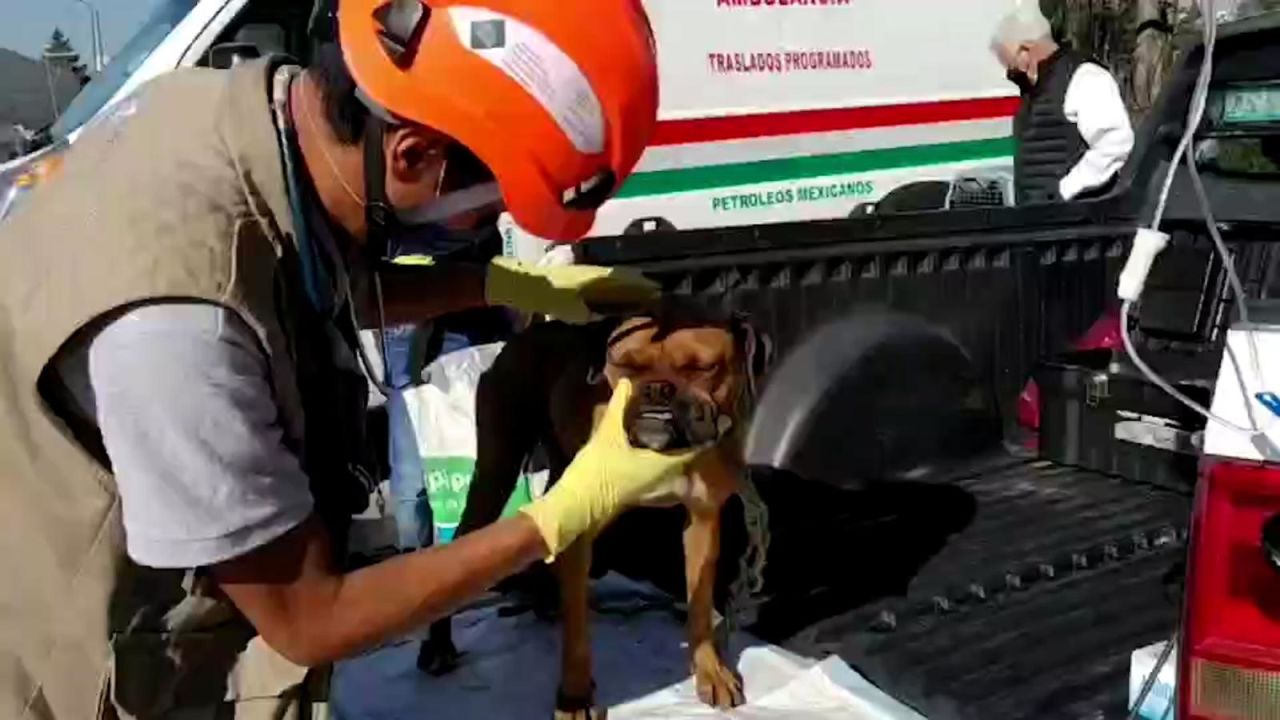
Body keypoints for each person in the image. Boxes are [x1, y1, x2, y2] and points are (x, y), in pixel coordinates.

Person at [0, 1, 698, 718]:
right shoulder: (177, 329)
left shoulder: (224, 111)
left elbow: (300, 286)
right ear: (413, 154)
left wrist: (503, 284)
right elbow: (309, 619)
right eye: (488, 210)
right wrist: (560, 516)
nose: (486, 229)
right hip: (75, 674)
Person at [991, 4, 1136, 205]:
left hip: (1078, 222)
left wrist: (1064, 190)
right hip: (1041, 222)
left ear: (1026, 51)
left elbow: (1115, 143)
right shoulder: (1035, 91)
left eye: (1011, 67)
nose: (1010, 75)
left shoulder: (1085, 78)